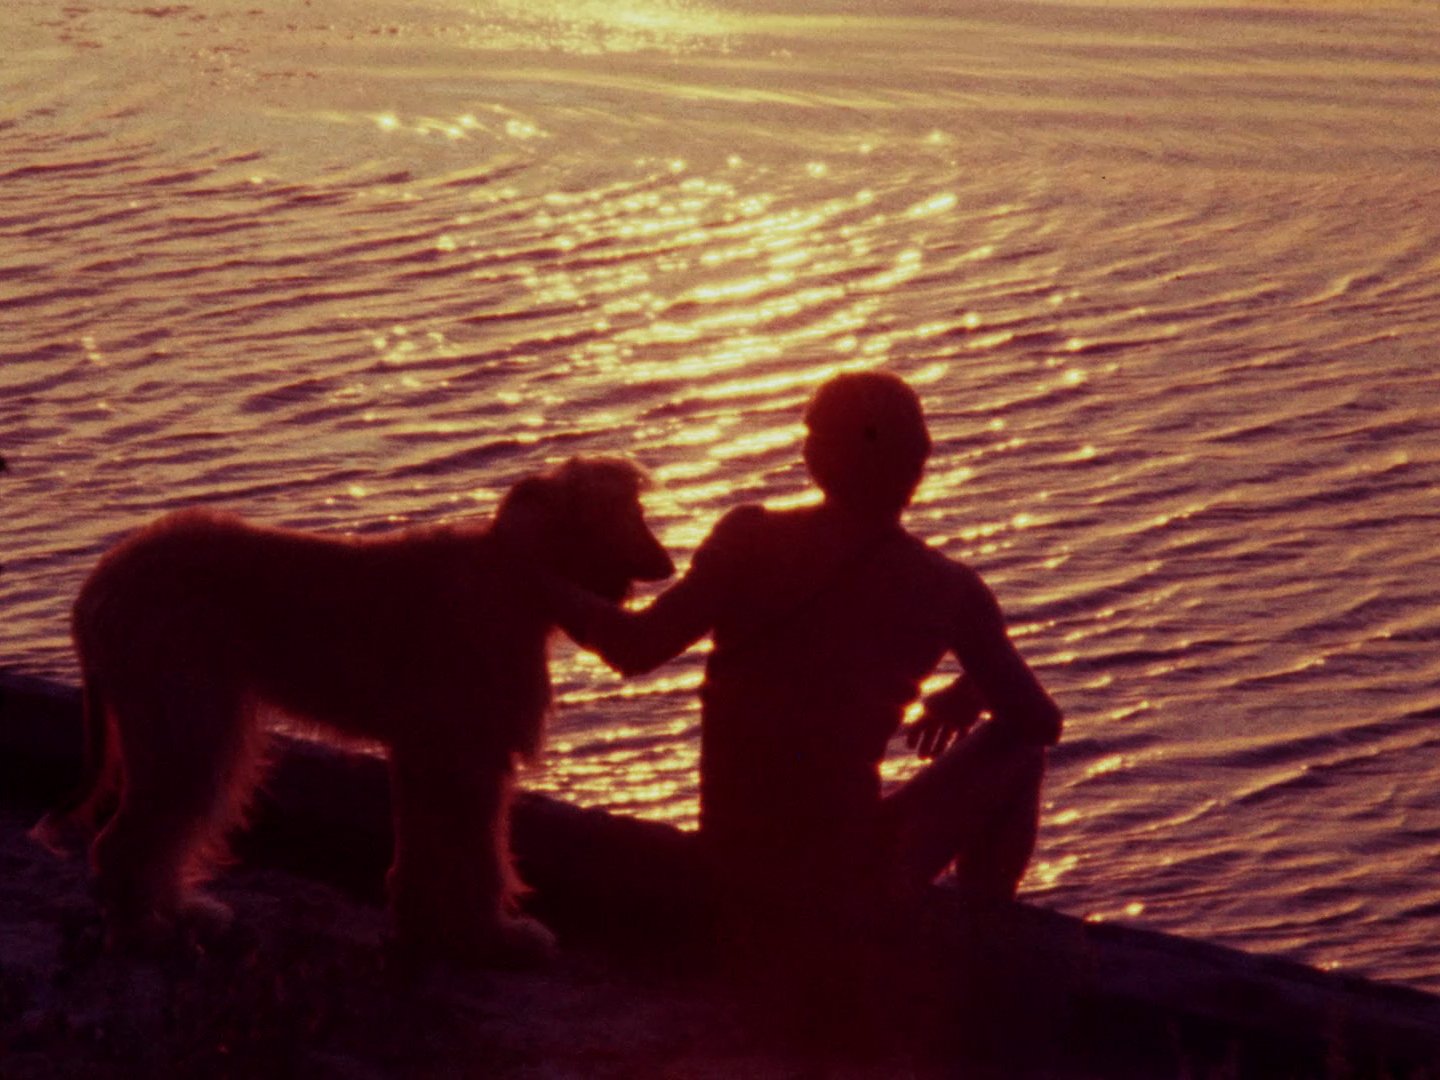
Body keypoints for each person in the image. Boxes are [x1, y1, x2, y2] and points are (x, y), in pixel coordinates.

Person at [553, 371, 1062, 940]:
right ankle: (974, 942)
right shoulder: (951, 591)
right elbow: (1039, 722)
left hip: (733, 864)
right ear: (918, 463)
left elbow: (634, 648)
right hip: (844, 883)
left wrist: (536, 580)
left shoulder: (747, 536)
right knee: (1020, 751)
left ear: (816, 456)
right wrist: (974, 690)